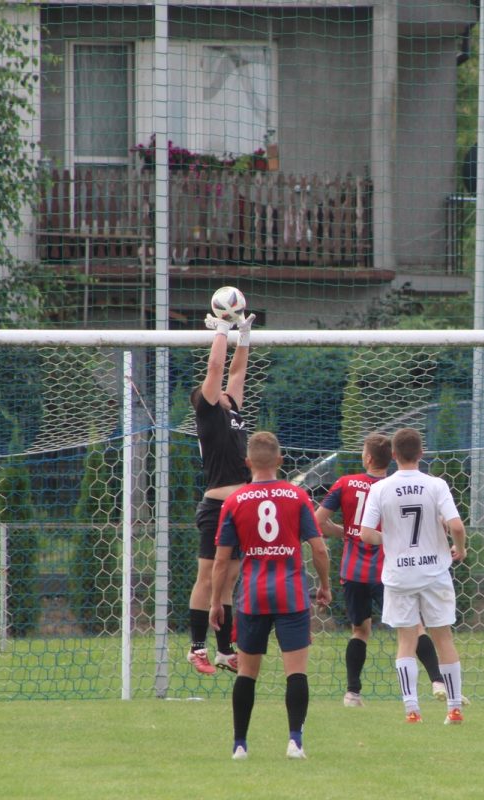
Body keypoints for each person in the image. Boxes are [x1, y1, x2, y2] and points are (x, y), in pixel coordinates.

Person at [209, 431, 331, 760]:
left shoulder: (234, 502)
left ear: (247, 462)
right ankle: (294, 742)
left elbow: (221, 560)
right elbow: (319, 548)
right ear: (279, 461)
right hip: (291, 594)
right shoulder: (297, 496)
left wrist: (216, 602)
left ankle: (239, 745)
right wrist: (324, 585)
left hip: (252, 596)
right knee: (296, 671)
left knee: (247, 673)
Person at [314, 433, 447, 707]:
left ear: (368, 458)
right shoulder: (394, 486)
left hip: (353, 572)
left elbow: (318, 522)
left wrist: (347, 533)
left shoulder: (345, 483)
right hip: (389, 570)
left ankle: (352, 693)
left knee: (360, 631)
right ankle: (437, 680)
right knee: (414, 627)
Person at [360, 428, 468, 725]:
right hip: (434, 571)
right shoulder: (436, 484)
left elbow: (366, 534)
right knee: (443, 637)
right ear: (422, 453)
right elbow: (456, 526)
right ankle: (454, 708)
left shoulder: (380, 488)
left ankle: (412, 710)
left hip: (400, 575)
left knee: (406, 641)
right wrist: (460, 549)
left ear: (393, 455)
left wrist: (391, 538)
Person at [187, 307, 255, 675]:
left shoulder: (233, 411)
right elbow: (216, 370)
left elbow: (236, 372)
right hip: (217, 507)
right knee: (209, 575)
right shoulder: (209, 411)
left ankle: (225, 650)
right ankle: (196, 647)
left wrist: (243, 338)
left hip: (241, 507)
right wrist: (222, 331)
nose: (224, 392)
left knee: (229, 578)